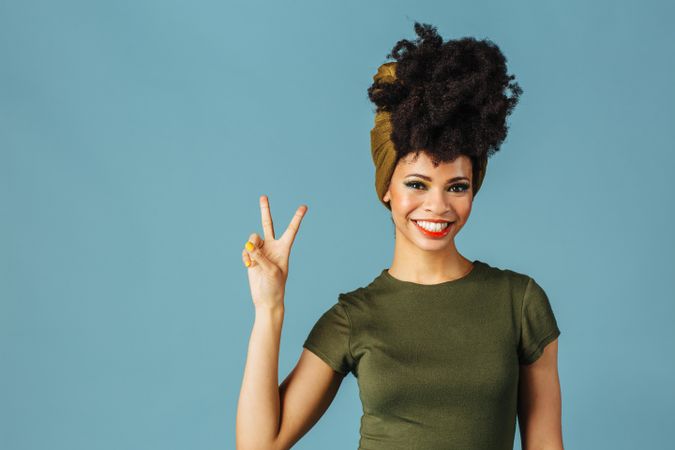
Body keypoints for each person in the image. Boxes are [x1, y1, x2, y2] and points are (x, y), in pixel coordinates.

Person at [236, 22, 563, 450]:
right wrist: (269, 308)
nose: (438, 206)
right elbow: (259, 446)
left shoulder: (519, 302)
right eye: (417, 184)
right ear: (387, 188)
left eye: (457, 186)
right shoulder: (354, 317)